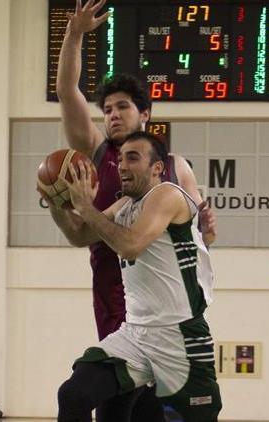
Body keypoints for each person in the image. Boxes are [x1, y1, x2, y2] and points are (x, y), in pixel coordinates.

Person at [48, 1, 217, 420]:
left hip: (169, 307)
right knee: (99, 400)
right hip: (117, 293)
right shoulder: (99, 154)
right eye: (107, 109)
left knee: (153, 411)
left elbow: (194, 241)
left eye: (122, 107)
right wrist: (74, 35)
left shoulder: (173, 171)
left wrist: (208, 231)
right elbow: (68, 91)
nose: (112, 115)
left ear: (146, 113)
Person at [55, 131, 221, 421]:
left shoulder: (166, 194)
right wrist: (58, 203)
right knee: (74, 395)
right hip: (135, 334)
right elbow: (79, 235)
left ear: (157, 168)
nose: (121, 165)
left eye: (132, 158)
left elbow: (130, 245)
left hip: (180, 335)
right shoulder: (125, 205)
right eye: (120, 159)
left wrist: (86, 207)